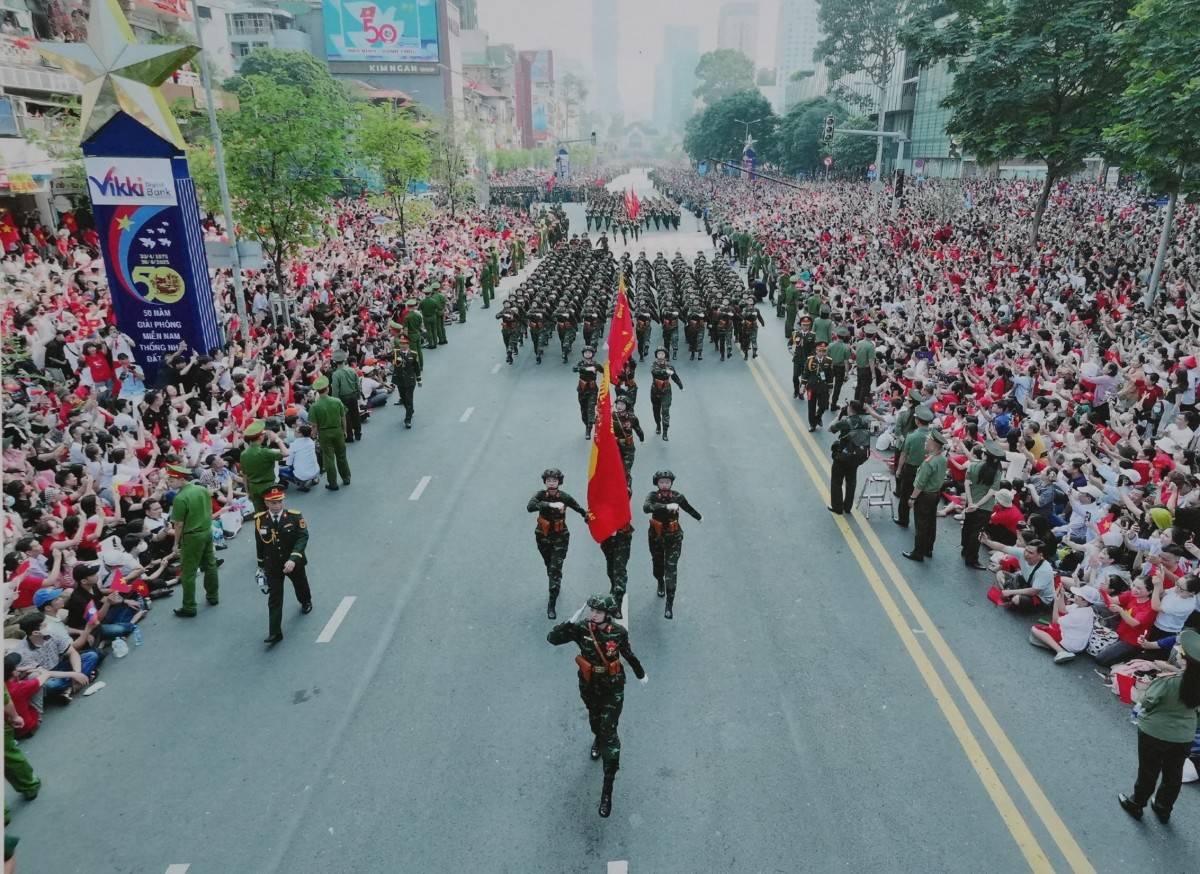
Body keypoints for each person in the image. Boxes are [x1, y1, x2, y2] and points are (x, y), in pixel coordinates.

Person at [547, 593, 647, 818]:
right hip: (590, 685)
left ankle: (607, 792)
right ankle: (598, 737)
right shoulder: (582, 628)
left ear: (607, 615)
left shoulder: (618, 633)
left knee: (610, 735)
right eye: (592, 611)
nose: (593, 614)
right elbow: (552, 639)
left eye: (598, 612)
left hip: (613, 688)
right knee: (595, 720)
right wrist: (569, 623)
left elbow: (628, 655)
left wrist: (641, 674)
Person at [1118, 629, 1200, 823]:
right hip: (1184, 736)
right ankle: (1163, 808)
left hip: (1155, 732)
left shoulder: (1169, 681)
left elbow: (1147, 701)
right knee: (1173, 774)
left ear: (1186, 661)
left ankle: (1137, 804)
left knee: (1149, 770)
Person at [527, 468, 590, 619]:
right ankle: (554, 580)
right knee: (549, 565)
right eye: (548, 480)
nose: (551, 482)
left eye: (554, 480)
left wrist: (587, 516)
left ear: (559, 482)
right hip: (542, 536)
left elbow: (578, 508)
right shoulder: (540, 495)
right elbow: (530, 507)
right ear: (545, 481)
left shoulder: (564, 497)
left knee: (555, 570)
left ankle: (551, 603)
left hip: (560, 537)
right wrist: (549, 505)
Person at [255, 485, 311, 646]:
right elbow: (260, 544)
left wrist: (293, 559)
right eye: (273, 503)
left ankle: (306, 601)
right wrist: (261, 566)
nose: (277, 505)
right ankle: (275, 632)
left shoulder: (294, 516)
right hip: (273, 565)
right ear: (266, 503)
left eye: (279, 502)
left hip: (292, 561)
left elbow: (303, 537)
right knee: (275, 598)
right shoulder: (260, 520)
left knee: (300, 585)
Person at [643, 470, 703, 619]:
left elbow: (687, 507)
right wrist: (665, 507)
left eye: (667, 482)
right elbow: (646, 508)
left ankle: (669, 603)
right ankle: (659, 581)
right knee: (658, 565)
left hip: (673, 537)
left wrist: (699, 517)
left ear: (671, 483)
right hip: (656, 537)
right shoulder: (652, 496)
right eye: (661, 482)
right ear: (657, 483)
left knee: (671, 568)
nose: (664, 484)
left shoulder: (677, 497)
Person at [167, 463, 220, 618]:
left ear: (181, 479)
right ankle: (213, 596)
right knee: (210, 564)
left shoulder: (180, 498)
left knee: (188, 573)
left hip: (192, 536)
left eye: (171, 480)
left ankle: (189, 606)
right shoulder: (202, 489)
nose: (169, 483)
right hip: (206, 531)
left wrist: (175, 543)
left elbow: (178, 524)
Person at [903, 428, 948, 562]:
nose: (925, 442)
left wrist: (912, 498)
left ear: (933, 443)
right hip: (935, 494)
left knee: (921, 525)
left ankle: (918, 553)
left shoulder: (929, 462)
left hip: (925, 496)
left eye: (927, 440)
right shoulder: (942, 459)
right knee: (931, 523)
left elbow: (920, 484)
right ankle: (928, 549)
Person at [1029, 584, 1101, 663]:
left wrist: (1056, 603)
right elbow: (1063, 610)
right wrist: (1062, 594)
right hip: (1077, 641)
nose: (1075, 595)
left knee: (1035, 629)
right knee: (1057, 619)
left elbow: (1055, 621)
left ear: (1085, 601)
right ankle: (1052, 645)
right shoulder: (1085, 608)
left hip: (1071, 644)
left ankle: (1060, 651)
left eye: (1078, 595)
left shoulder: (1079, 615)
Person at [981, 536, 1056, 610]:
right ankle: (1010, 593)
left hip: (1040, 598)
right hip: (1027, 584)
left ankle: (1011, 594)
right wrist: (986, 541)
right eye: (1026, 550)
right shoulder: (1022, 553)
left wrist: (1010, 592)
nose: (1026, 554)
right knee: (1000, 574)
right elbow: (1003, 547)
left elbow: (1034, 591)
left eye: (1030, 553)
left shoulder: (1044, 570)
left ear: (1040, 555)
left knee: (1016, 599)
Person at [961, 441, 1004, 569]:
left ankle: (965, 548)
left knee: (967, 526)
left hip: (971, 502)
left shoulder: (973, 465)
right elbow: (991, 492)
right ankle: (972, 558)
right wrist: (978, 504)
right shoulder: (997, 472)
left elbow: (966, 484)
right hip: (984, 507)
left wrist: (971, 502)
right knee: (977, 532)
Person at [828, 400, 871, 515]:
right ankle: (847, 507)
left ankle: (837, 507)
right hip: (857, 456)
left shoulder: (846, 421)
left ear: (850, 409)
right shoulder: (864, 421)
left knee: (837, 481)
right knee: (851, 481)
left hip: (843, 456)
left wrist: (839, 416)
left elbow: (830, 428)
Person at [308, 375, 351, 490]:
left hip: (324, 434)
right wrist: (345, 431)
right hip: (338, 431)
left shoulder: (314, 406)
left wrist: (314, 436)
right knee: (341, 456)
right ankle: (346, 478)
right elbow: (343, 418)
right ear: (327, 388)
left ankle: (333, 483)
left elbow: (314, 425)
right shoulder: (337, 401)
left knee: (328, 458)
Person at [894, 405, 933, 527]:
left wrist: (899, 469)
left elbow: (904, 455)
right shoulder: (933, 436)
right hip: (927, 470)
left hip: (911, 469)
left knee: (906, 495)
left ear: (917, 421)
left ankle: (903, 519)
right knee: (921, 498)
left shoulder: (912, 436)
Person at [239, 419, 286, 513]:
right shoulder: (265, 452)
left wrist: (248, 492)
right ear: (260, 437)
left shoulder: (243, 454)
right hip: (268, 487)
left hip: (253, 488)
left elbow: (245, 476)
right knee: (276, 513)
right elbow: (285, 453)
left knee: (260, 515)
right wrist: (277, 439)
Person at [648, 348, 683, 442]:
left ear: (665, 355)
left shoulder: (670, 366)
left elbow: (674, 376)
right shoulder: (654, 365)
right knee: (656, 410)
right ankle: (658, 425)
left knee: (665, 411)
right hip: (655, 391)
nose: (660, 355)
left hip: (666, 391)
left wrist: (680, 385)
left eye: (662, 353)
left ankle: (665, 432)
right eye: (658, 353)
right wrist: (666, 372)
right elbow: (655, 372)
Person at [600, 523, 634, 617]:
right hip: (607, 537)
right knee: (610, 570)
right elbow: (592, 515)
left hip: (622, 537)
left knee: (619, 570)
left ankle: (617, 605)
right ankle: (613, 584)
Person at [330, 350, 363, 443]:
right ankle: (358, 433)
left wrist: (335, 402)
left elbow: (335, 390)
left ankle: (349, 436)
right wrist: (358, 394)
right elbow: (357, 384)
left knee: (346, 417)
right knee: (355, 414)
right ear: (344, 360)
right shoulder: (352, 370)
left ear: (335, 362)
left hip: (343, 398)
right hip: (353, 395)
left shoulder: (336, 374)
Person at [391, 335, 422, 429]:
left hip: (410, 380)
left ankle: (407, 420)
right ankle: (410, 410)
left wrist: (419, 379)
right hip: (400, 380)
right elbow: (391, 362)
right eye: (401, 343)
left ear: (408, 344)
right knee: (403, 398)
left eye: (404, 343)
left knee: (409, 399)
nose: (402, 345)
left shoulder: (413, 354)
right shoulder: (396, 352)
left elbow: (416, 368)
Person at [573, 347, 600, 439]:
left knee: (591, 408)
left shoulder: (595, 364)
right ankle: (587, 424)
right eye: (586, 352)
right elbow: (574, 369)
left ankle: (589, 428)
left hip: (592, 390)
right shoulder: (581, 363)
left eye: (589, 352)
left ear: (592, 354)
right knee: (584, 411)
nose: (588, 354)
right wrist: (587, 369)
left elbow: (605, 370)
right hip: (582, 389)